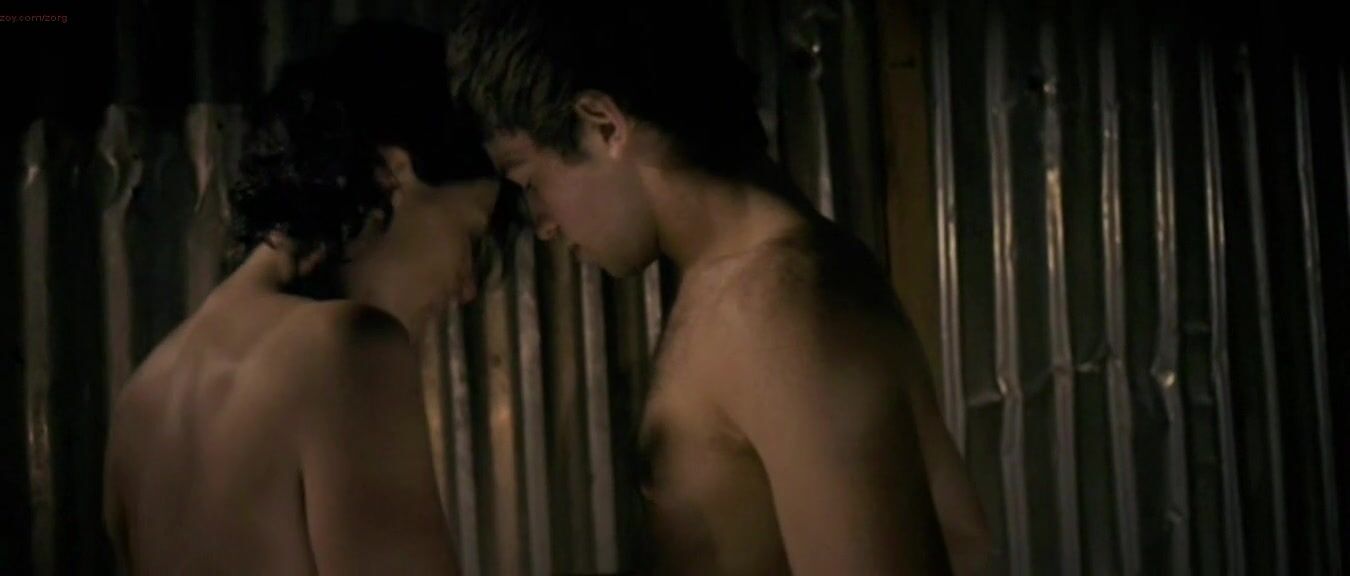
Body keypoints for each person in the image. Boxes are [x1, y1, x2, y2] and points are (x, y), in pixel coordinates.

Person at [452, 2, 991, 574]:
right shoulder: (762, 285)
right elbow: (966, 538)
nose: (542, 223)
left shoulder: (775, 307)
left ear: (603, 124)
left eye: (529, 179)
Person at [102, 22, 499, 575]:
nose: (467, 286)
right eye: (471, 235)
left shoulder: (138, 404)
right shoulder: (347, 347)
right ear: (392, 172)